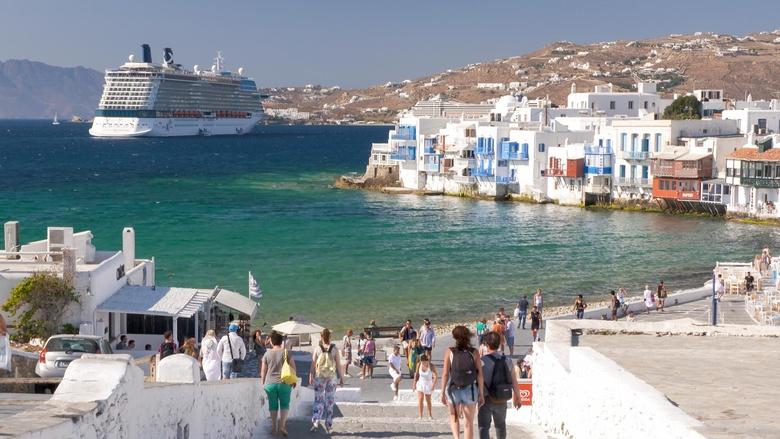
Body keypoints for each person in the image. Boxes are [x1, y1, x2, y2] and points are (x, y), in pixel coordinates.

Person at [440, 325, 484, 439]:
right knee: (468, 422)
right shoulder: (474, 352)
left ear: (455, 338)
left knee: (454, 417)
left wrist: (442, 393)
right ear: (468, 336)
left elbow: (445, 373)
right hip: (470, 389)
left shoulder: (450, 351)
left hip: (453, 389)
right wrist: (481, 394)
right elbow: (480, 374)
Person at [478, 332, 522, 439]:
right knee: (501, 426)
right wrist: (518, 398)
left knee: (484, 427)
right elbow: (514, 381)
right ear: (499, 344)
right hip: (502, 398)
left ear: (486, 345)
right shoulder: (507, 360)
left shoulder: (481, 361)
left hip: (486, 399)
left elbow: (478, 381)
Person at [262, 331, 296, 437]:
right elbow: (293, 368)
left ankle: (273, 427)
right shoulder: (287, 352)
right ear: (281, 342)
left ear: (271, 342)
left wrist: (263, 383)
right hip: (284, 383)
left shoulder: (267, 353)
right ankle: (282, 426)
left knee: (273, 406)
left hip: (270, 384)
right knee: (284, 405)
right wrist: (293, 380)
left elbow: (263, 371)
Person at [309, 328, 343, 434]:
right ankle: (328, 426)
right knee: (329, 401)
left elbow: (313, 364)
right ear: (330, 337)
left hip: (320, 377)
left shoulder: (317, 349)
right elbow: (338, 365)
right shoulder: (334, 349)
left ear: (321, 337)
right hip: (332, 378)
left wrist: (311, 375)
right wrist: (341, 377)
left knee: (318, 399)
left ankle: (316, 420)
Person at [413, 353, 438, 419]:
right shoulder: (419, 365)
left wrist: (433, 385)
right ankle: (420, 415)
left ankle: (430, 415)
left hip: (428, 383)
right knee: (420, 399)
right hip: (420, 383)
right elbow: (416, 375)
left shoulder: (431, 366)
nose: (423, 363)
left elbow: (435, 376)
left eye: (425, 361)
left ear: (427, 360)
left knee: (428, 400)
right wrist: (414, 384)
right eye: (422, 361)